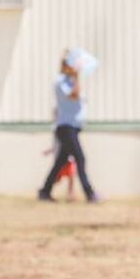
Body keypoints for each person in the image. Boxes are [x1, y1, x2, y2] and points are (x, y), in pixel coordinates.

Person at [38, 50, 100, 203]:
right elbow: (73, 96)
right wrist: (77, 77)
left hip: (73, 127)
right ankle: (89, 193)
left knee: (60, 163)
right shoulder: (61, 82)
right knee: (80, 158)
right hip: (66, 127)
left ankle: (45, 191)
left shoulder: (70, 81)